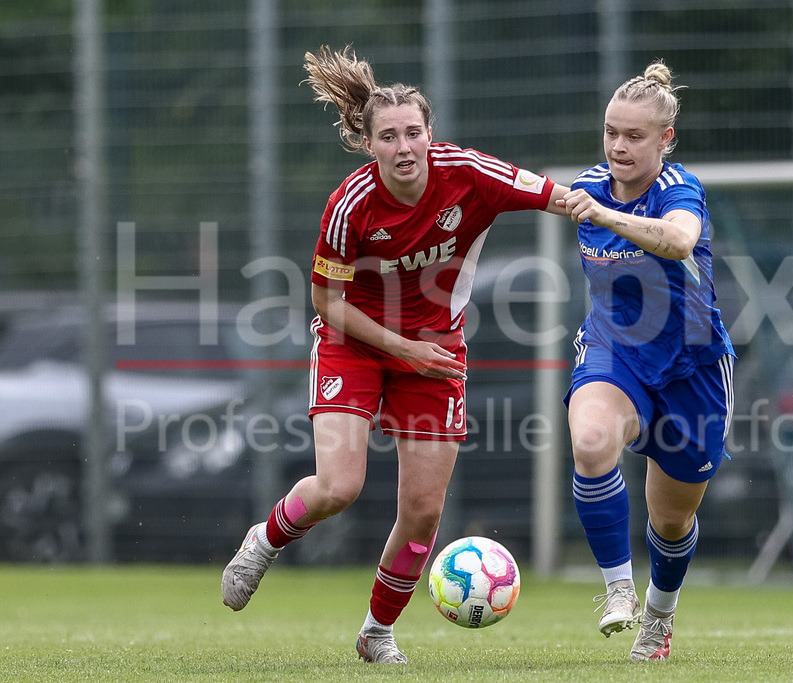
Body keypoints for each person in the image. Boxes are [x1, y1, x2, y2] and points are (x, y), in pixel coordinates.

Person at [221, 45, 569, 664]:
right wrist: (402, 347)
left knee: (422, 511)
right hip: (354, 344)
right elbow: (327, 302)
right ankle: (266, 538)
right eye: (390, 136)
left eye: (414, 132)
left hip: (435, 354)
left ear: (430, 135)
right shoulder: (350, 205)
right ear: (369, 144)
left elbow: (556, 196)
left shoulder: (468, 174)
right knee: (339, 486)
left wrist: (618, 213)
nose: (405, 146)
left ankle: (377, 633)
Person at [557, 60, 735, 661]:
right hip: (615, 352)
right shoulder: (589, 181)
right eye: (611, 132)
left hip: (693, 366)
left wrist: (605, 215)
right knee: (590, 440)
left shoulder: (679, 189)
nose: (618, 147)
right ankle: (618, 590)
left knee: (672, 521)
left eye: (634, 136)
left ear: (666, 140)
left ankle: (659, 617)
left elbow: (680, 239)